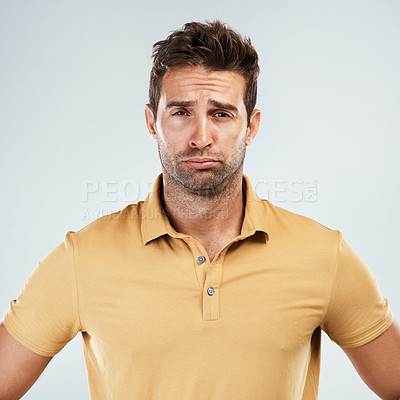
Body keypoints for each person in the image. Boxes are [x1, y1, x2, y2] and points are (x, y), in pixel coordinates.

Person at [0, 20, 399, 400]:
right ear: (152, 122)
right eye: (181, 112)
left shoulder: (323, 254)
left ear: (252, 126)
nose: (201, 138)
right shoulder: (81, 258)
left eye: (221, 114)